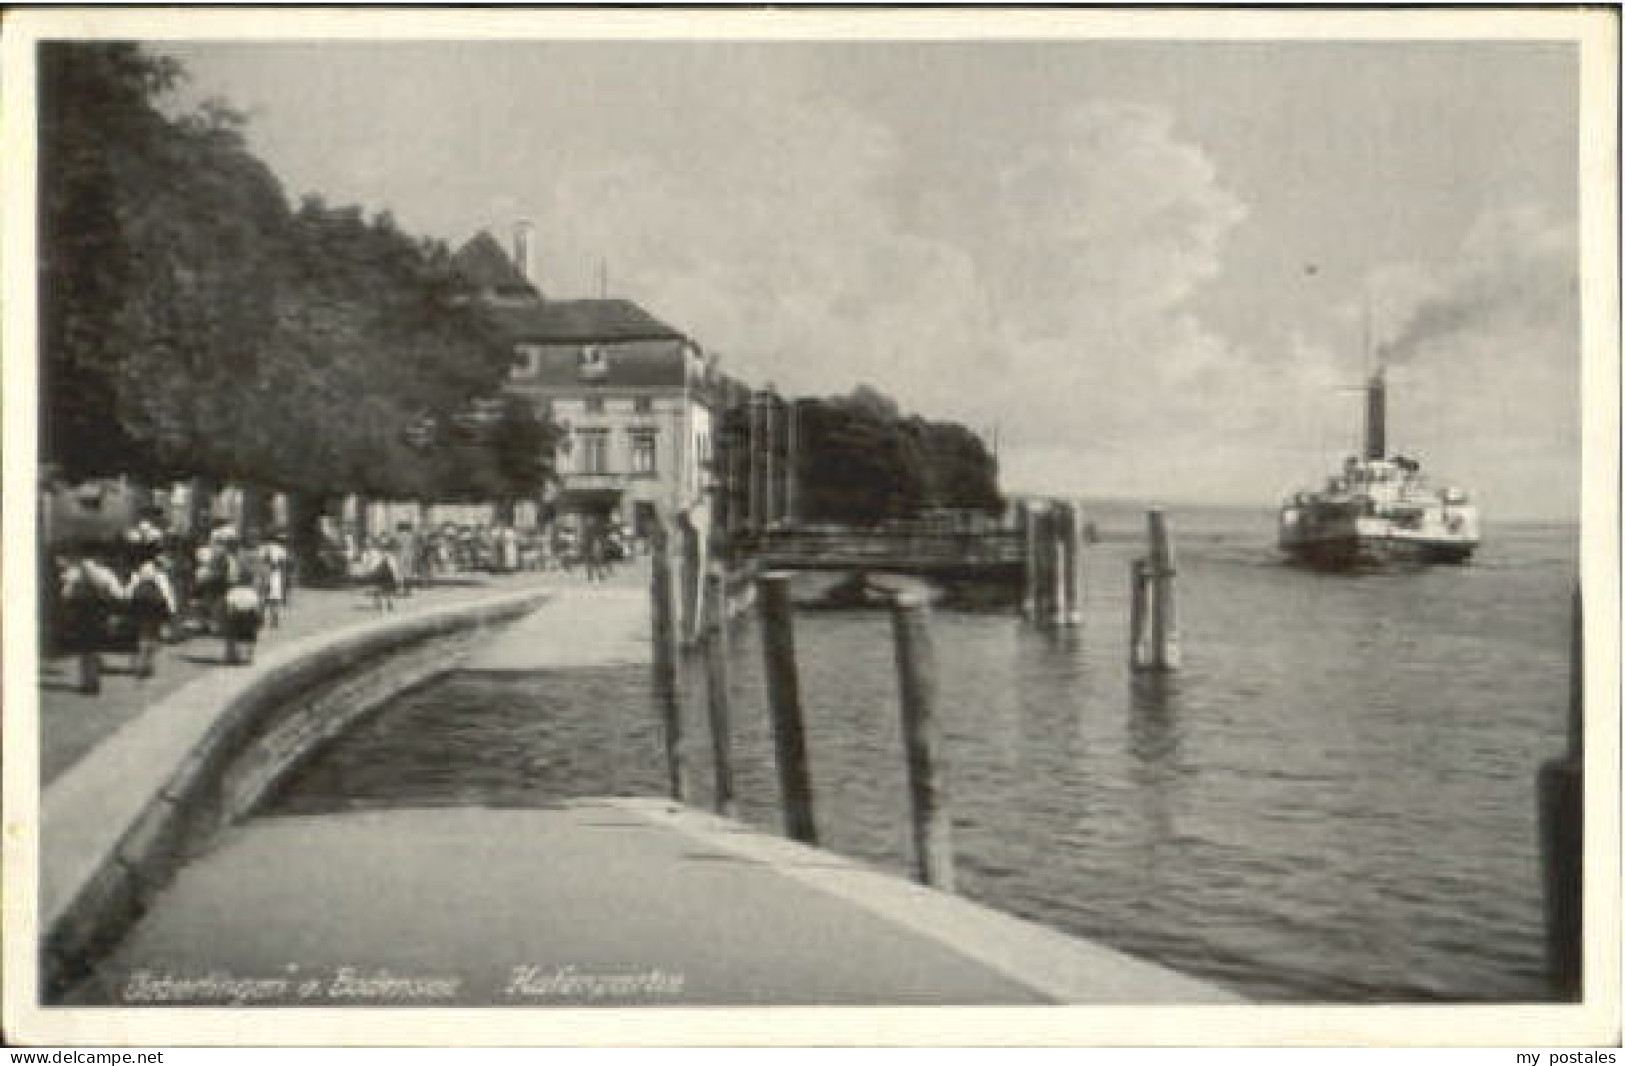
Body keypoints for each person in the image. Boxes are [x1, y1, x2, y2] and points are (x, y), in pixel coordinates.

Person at [59, 551, 124, 694]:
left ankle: (86, 682)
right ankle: (94, 682)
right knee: (95, 648)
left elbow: (66, 595)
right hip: (99, 614)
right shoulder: (105, 573)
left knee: (84, 649)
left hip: (81, 614)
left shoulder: (74, 574)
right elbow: (118, 594)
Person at [124, 550, 177, 679]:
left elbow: (129, 590)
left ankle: (141, 663)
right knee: (154, 635)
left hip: (140, 605)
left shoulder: (137, 573)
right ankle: (148, 664)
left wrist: (127, 602)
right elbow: (166, 591)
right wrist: (172, 609)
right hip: (155, 606)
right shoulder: (159, 574)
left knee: (143, 634)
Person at [222, 571, 264, 665]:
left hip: (236, 616)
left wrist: (227, 619)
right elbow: (256, 607)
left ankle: (233, 657)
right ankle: (249, 658)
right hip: (249, 616)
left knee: (234, 637)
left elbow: (229, 606)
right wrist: (259, 620)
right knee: (250, 638)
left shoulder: (233, 591)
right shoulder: (252, 592)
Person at [257, 533, 292, 628]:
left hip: (264, 573)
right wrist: (285, 578)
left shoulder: (262, 548)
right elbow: (284, 564)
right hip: (275, 573)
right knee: (274, 598)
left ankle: (261, 619)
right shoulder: (280, 549)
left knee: (263, 597)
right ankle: (274, 620)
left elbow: (260, 562)